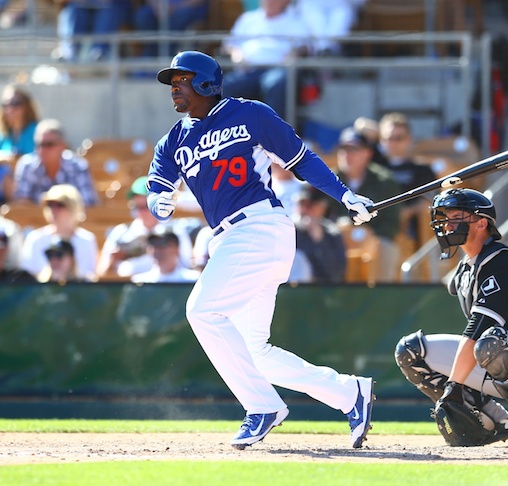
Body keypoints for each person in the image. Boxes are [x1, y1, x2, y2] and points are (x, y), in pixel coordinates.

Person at [147, 50, 376, 450]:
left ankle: (262, 407)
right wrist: (158, 202)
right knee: (255, 352)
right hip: (229, 239)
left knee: (202, 310)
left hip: (259, 226)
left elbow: (302, 159)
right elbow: (156, 186)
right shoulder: (173, 140)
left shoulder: (250, 113)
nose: (174, 89)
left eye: (182, 80)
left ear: (205, 83)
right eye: (172, 82)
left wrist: (344, 196)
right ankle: (350, 393)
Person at [395, 188, 508, 448]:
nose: (448, 224)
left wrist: (454, 385)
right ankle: (490, 421)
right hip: (496, 355)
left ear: (481, 222)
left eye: (456, 217)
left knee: (489, 341)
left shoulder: (501, 261)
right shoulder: (465, 267)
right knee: (410, 351)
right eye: (446, 217)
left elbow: (478, 328)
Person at [326, 127, 402, 282]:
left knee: (385, 248)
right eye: (343, 149)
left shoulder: (384, 180)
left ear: (368, 153)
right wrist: (338, 228)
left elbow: (392, 223)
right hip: (336, 239)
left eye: (354, 149)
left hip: (375, 239)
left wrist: (369, 234)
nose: (347, 155)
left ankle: (379, 301)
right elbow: (319, 215)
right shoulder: (328, 180)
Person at [221, 0, 313, 119]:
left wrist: (294, 53)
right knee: (226, 85)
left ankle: (273, 132)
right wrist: (236, 53)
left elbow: (306, 46)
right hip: (249, 69)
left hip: (278, 68)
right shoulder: (248, 19)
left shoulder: (295, 20)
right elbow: (230, 44)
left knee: (275, 84)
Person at [96, 176, 193, 279]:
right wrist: (114, 259)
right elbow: (101, 274)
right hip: (128, 290)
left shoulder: (175, 231)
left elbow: (187, 266)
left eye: (146, 206)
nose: (141, 212)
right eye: (137, 207)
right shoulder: (120, 232)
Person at [378, 112, 436, 243]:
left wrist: (405, 212)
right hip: (376, 227)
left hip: (410, 229)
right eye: (388, 138)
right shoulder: (374, 166)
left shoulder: (422, 170)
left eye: (398, 138)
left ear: (409, 139)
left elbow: (429, 201)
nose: (393, 143)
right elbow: (362, 125)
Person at [20, 184, 98, 281]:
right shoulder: (35, 238)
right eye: (50, 205)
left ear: (73, 207)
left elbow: (88, 277)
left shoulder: (87, 239)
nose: (54, 210)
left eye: (60, 205)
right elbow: (27, 277)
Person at [12, 118, 98, 207]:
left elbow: (88, 205)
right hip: (34, 220)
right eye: (40, 145)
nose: (43, 150)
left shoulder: (78, 167)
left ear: (62, 145)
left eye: (49, 144)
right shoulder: (26, 166)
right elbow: (21, 206)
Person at [293, 184, 346, 283]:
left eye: (309, 205)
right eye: (301, 204)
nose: (303, 210)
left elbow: (336, 274)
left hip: (320, 293)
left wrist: (320, 241)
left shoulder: (332, 233)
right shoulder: (288, 230)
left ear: (322, 208)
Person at [0, 85, 40, 204]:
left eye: (16, 103)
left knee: (8, 176)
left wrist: (9, 160)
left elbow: (39, 162)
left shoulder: (37, 132)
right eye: (5, 104)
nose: (10, 108)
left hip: (30, 185)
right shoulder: (4, 136)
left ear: (26, 107)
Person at [132, 0, 208, 57]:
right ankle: (150, 56)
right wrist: (155, 5)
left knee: (181, 16)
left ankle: (170, 56)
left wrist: (174, 7)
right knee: (143, 15)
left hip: (187, 7)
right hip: (160, 7)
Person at [131, 228, 201, 283]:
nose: (156, 250)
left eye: (162, 244)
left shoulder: (193, 280)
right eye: (152, 244)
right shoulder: (140, 281)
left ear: (176, 248)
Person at [296, 0, 364, 55]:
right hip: (312, 5)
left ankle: (328, 53)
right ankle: (323, 52)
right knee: (315, 24)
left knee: (341, 16)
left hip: (340, 5)